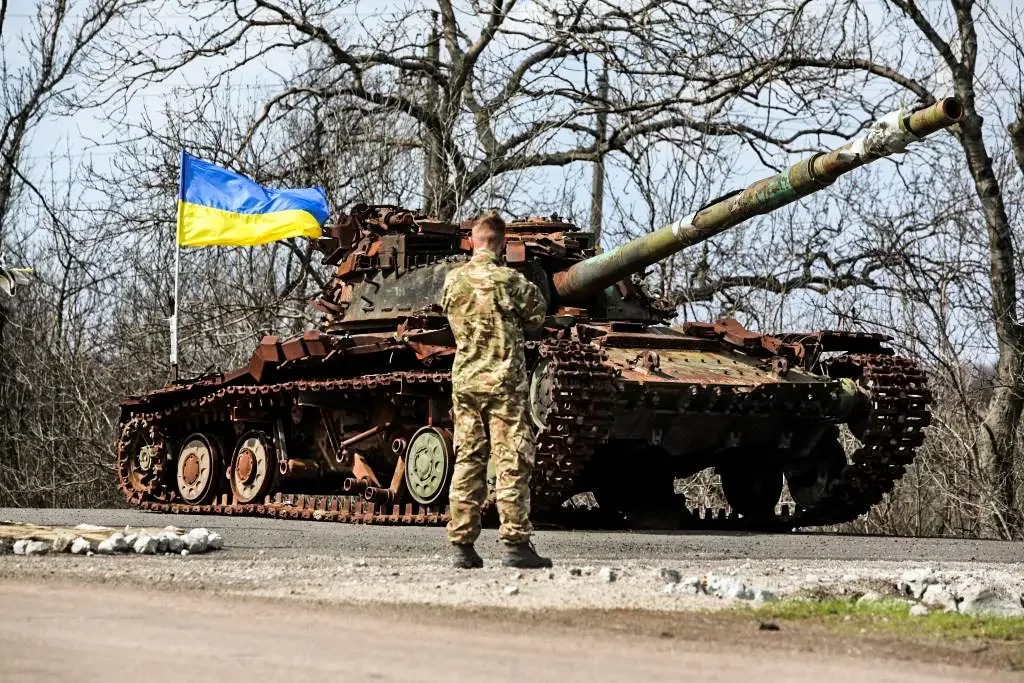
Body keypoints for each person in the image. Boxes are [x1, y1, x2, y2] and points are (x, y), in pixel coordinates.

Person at [440, 210, 552, 569]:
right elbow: (537, 315)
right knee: (511, 460)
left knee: (468, 459)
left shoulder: (453, 282)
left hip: (467, 383)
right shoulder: (511, 281)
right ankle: (516, 544)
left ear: (473, 241)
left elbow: (448, 314)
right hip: (504, 383)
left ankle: (461, 546)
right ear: (503, 243)